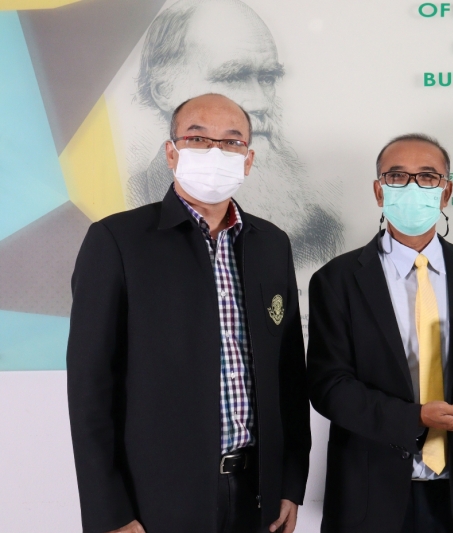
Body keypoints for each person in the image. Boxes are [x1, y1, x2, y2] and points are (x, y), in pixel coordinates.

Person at [67, 93, 310, 533]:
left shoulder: (272, 244)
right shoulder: (118, 241)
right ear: (171, 152)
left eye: (231, 142)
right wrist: (111, 513)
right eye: (198, 138)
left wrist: (291, 483)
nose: (215, 152)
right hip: (158, 500)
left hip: (258, 493)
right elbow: (90, 388)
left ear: (248, 160)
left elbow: (289, 374)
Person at [306, 134, 453, 533]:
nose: (413, 187)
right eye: (397, 176)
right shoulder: (336, 279)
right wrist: (415, 418)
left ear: (446, 193)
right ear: (379, 191)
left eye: (428, 177)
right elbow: (329, 387)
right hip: (368, 495)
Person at [128, 0, 343, 267]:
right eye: (233, 77)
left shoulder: (316, 230)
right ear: (165, 90)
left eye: (266, 78)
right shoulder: (125, 225)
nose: (261, 102)